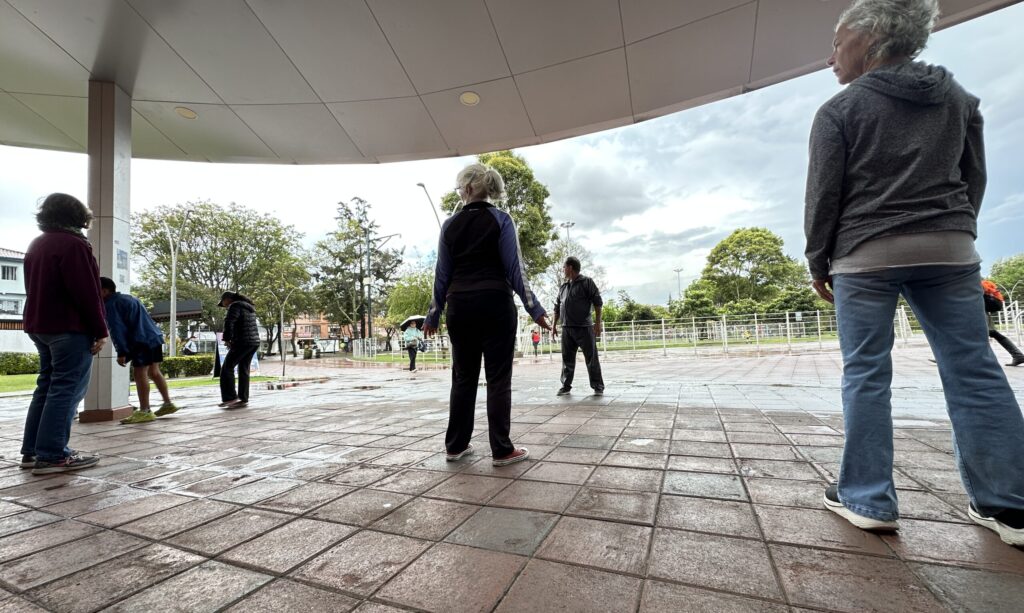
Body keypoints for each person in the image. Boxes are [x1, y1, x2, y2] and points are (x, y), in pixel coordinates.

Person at [804, 0, 1024, 545]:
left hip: (864, 252)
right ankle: (1011, 506)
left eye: (837, 41)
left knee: (867, 374)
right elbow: (973, 179)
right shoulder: (960, 101)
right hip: (950, 248)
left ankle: (868, 497)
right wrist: (955, 231)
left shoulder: (839, 110)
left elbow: (823, 197)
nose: (830, 55)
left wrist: (818, 260)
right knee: (974, 369)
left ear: (870, 38)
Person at [424, 163, 551, 467]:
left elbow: (441, 275)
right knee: (497, 379)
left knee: (463, 378)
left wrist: (433, 313)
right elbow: (515, 270)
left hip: (460, 307)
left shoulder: (449, 225)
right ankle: (502, 450)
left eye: (458, 188)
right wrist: (536, 309)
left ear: (467, 189)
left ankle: (455, 446)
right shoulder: (501, 220)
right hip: (495, 304)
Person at [21, 194, 105, 474]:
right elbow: (87, 293)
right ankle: (53, 454)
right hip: (68, 328)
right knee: (66, 390)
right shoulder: (74, 245)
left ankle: (32, 451)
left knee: (46, 387)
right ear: (77, 215)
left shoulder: (38, 244)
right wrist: (100, 330)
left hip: (39, 326)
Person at [99, 277, 178, 424]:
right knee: (154, 372)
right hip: (154, 337)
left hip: (141, 340)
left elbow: (116, 329)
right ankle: (168, 404)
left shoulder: (111, 304)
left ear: (104, 291)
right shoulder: (129, 298)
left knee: (139, 373)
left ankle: (145, 411)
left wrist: (121, 352)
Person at [553, 256, 605, 396]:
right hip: (566, 328)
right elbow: (557, 307)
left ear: (570, 267)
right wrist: (553, 326)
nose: (563, 269)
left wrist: (597, 323)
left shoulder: (587, 282)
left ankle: (597, 386)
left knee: (591, 358)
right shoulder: (563, 287)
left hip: (584, 328)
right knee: (567, 359)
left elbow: (598, 303)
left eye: (564, 267)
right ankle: (565, 385)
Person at [218, 291, 260, 409]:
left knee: (227, 368)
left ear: (228, 299)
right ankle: (243, 398)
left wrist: (227, 338)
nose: (224, 306)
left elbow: (229, 322)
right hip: (253, 342)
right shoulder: (248, 307)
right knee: (243, 369)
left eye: (223, 303)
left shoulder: (234, 306)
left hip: (242, 342)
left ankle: (230, 398)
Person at [982, 280, 1024, 366]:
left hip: (979, 308)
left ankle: (986, 363)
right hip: (983, 308)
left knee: (983, 333)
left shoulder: (970, 281)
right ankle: (1018, 355)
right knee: (992, 332)